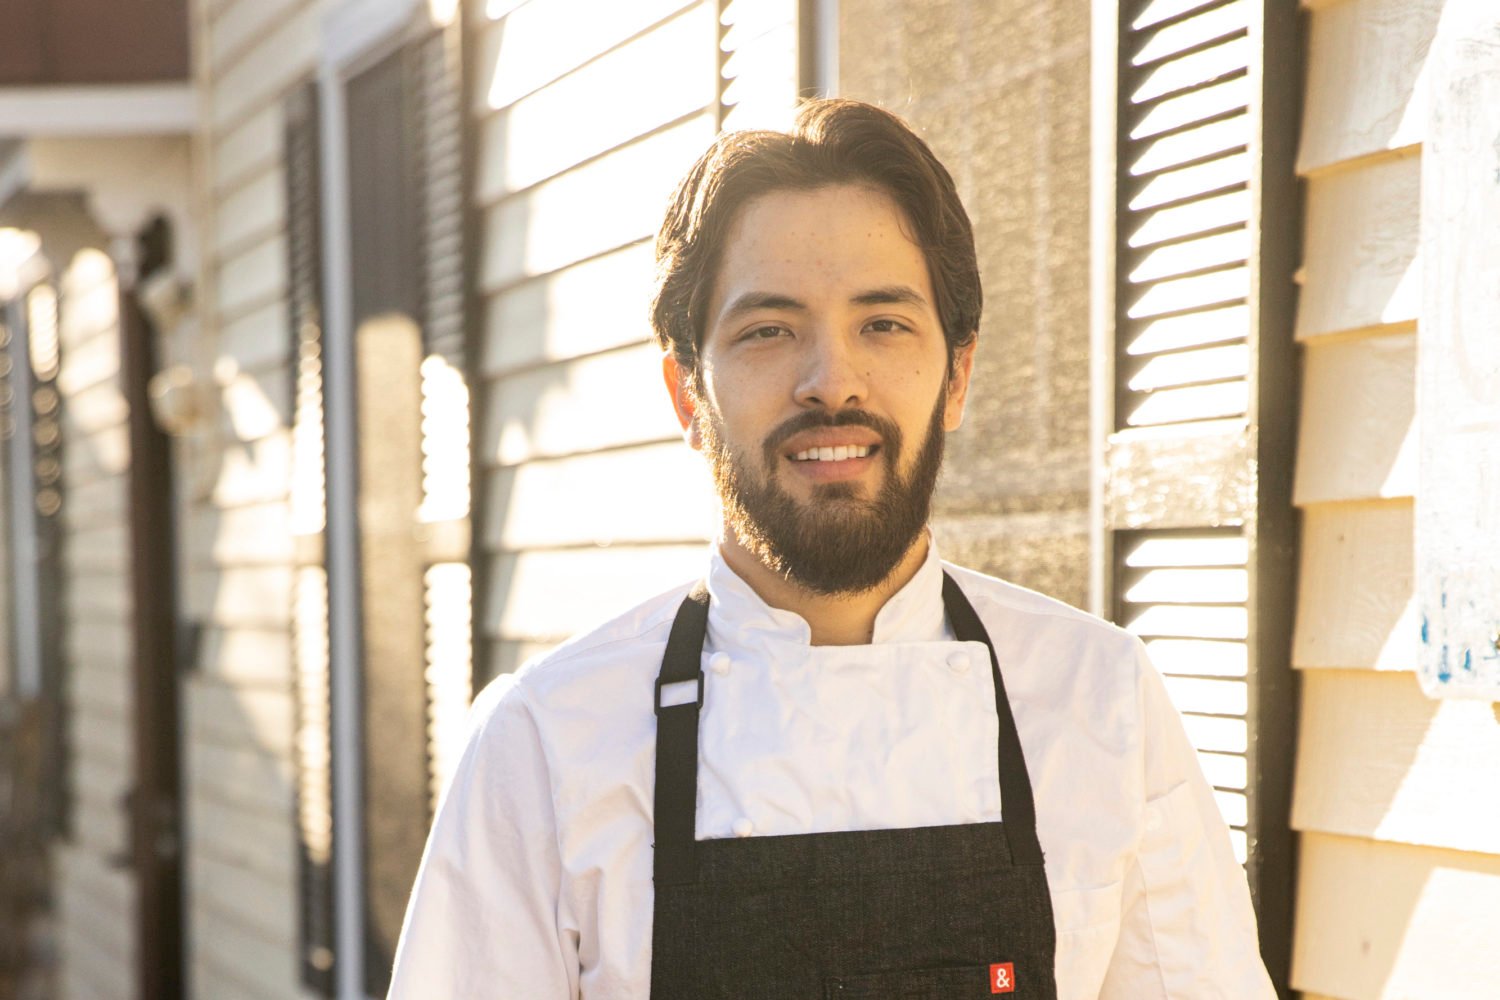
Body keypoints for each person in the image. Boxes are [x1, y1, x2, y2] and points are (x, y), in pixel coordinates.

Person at [386, 98, 1274, 999]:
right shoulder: (546, 742)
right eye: (769, 330)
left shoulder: (1098, 701)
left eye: (882, 323)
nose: (831, 382)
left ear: (957, 374)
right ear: (688, 394)